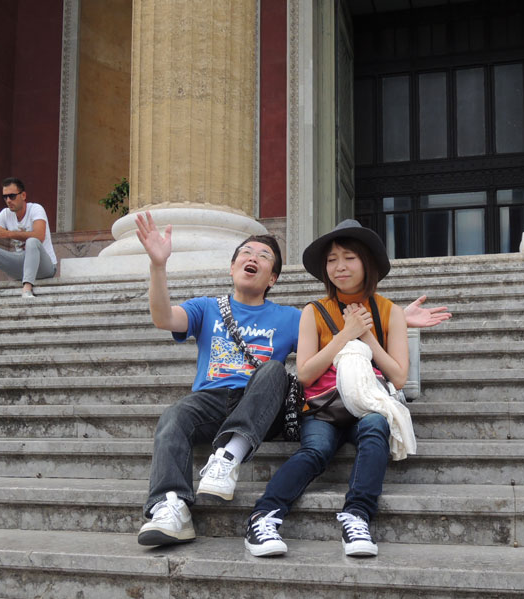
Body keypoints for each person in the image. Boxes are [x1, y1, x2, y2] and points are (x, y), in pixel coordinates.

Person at [134, 212, 450, 549]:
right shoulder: (208, 308)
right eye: (246, 253)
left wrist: (395, 318)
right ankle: (172, 507)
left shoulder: (290, 316)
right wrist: (158, 265)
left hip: (267, 404)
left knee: (275, 371)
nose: (253, 257)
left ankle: (235, 459)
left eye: (263, 255)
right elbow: (164, 318)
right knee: (174, 417)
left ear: (273, 278)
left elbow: (344, 338)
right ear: (232, 267)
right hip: (223, 401)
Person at [244, 220, 409, 558]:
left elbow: (399, 376)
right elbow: (305, 374)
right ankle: (263, 517)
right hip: (322, 407)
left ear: (367, 262)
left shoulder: (390, 311)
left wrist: (366, 336)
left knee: (376, 427)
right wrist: (345, 334)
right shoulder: (314, 311)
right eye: (332, 260)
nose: (339, 267)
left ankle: (357, 516)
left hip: (368, 403)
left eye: (349, 258)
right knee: (316, 450)